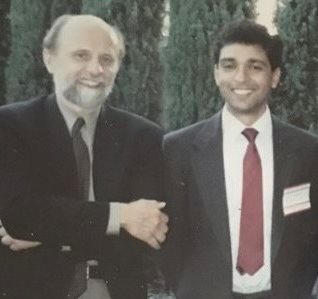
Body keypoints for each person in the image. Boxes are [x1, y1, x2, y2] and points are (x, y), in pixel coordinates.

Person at [0, 14, 168, 299]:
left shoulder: (144, 136)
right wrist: (120, 215)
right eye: (81, 55)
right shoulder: (11, 126)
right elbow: (21, 215)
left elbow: (148, 229)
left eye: (107, 59)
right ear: (49, 59)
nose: (95, 69)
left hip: (114, 291)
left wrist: (50, 233)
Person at [162, 19, 318, 299]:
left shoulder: (307, 150)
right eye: (229, 65)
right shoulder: (179, 148)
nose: (241, 78)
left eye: (255, 66)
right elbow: (171, 242)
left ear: (275, 76)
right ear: (216, 74)